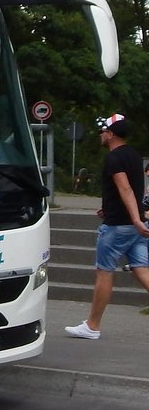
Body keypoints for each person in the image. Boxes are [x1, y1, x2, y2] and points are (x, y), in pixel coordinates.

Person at [65, 113, 149, 339]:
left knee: (104, 272)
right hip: (134, 226)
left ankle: (92, 326)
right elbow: (131, 189)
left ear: (111, 134)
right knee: (142, 271)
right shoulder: (133, 155)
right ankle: (91, 325)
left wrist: (133, 219)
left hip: (118, 228)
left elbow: (125, 189)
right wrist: (120, 212)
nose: (100, 135)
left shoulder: (113, 158)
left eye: (103, 132)